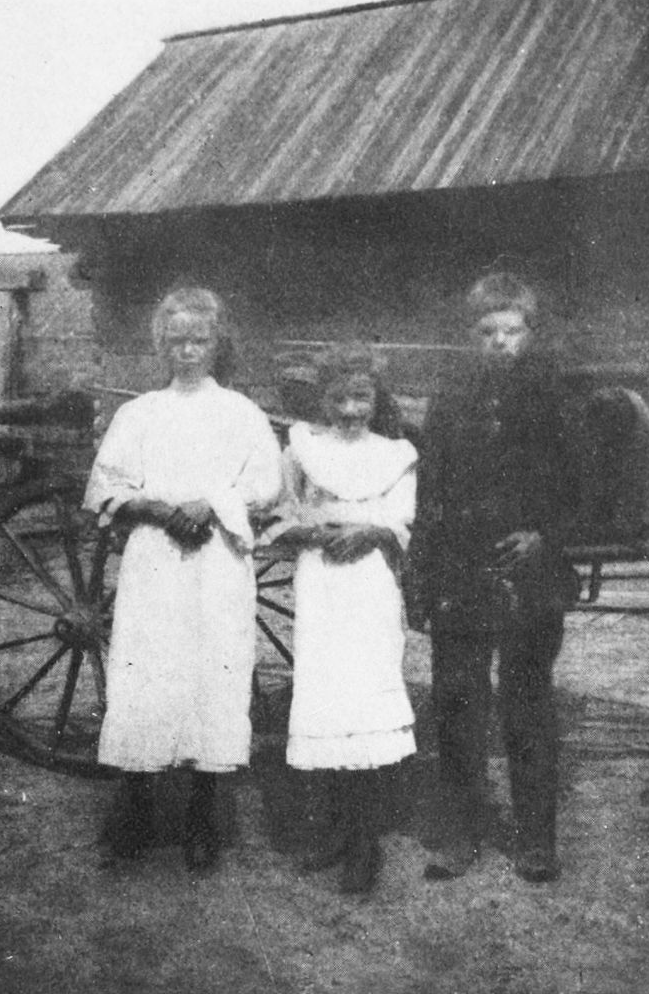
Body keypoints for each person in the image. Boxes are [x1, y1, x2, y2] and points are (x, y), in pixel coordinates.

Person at [83, 286, 282, 872]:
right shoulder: (140, 414)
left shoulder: (240, 413)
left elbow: (265, 483)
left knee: (211, 672)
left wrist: (211, 502)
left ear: (217, 344)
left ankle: (202, 813)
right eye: (176, 341)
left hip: (216, 561)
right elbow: (106, 484)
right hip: (154, 561)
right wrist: (155, 507)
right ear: (161, 345)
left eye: (199, 340)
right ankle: (137, 804)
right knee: (146, 670)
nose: (188, 351)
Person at [406, 273, 580, 883]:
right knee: (457, 701)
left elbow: (579, 486)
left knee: (527, 698)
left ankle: (536, 839)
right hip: (462, 566)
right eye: (487, 331)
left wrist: (543, 535)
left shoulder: (554, 397)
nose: (500, 341)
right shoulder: (451, 398)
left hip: (530, 568)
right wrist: (424, 571)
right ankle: (461, 833)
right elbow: (429, 488)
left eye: (512, 330)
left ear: (530, 333)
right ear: (470, 337)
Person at [269, 343, 418, 893]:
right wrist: (311, 529)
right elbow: (282, 510)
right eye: (340, 399)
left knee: (364, 695)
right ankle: (336, 830)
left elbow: (402, 520)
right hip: (322, 580)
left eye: (362, 398)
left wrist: (370, 531)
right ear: (323, 400)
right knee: (327, 695)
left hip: (370, 581)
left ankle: (364, 841)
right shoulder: (303, 448)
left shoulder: (397, 455)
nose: (351, 410)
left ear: (376, 400)